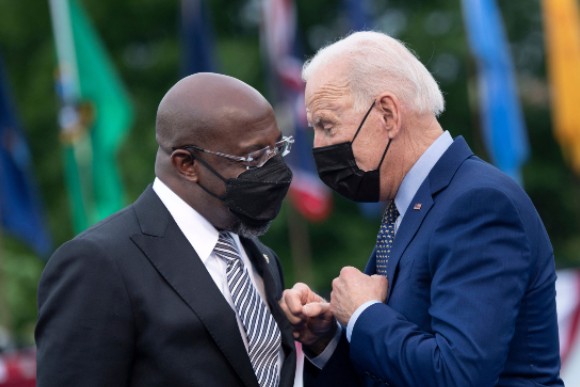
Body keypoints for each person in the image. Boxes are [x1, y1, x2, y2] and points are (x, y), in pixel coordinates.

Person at [280, 31, 564, 386]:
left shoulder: (478, 204)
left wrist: (363, 314)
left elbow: (458, 374)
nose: (319, 146)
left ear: (387, 114)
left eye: (327, 125)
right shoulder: (409, 206)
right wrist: (327, 340)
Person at [36, 72, 299, 387]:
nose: (275, 169)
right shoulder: (99, 263)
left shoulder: (260, 257)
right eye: (253, 157)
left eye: (278, 148)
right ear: (186, 164)